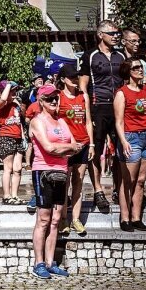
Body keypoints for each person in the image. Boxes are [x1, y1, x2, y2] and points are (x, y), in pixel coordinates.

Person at [29, 84, 80, 279]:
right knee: (43, 218)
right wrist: (67, 147)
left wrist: (65, 148)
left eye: (56, 98)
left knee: (56, 219)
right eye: (49, 98)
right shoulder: (37, 121)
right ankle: (38, 262)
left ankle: (50, 262)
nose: (53, 101)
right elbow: (49, 148)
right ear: (41, 101)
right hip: (43, 171)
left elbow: (75, 145)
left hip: (61, 170)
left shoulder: (62, 122)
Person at [79, 20, 125, 211]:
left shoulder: (121, 55)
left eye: (117, 33)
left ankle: (118, 188)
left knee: (121, 150)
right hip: (98, 106)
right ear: (101, 35)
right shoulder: (90, 55)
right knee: (95, 151)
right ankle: (98, 190)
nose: (116, 36)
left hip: (118, 107)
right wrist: (87, 109)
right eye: (112, 33)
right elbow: (83, 86)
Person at [114, 59, 146, 232]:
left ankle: (136, 217)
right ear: (128, 71)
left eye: (141, 67)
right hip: (131, 137)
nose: (141, 70)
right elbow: (119, 121)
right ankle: (125, 217)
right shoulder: (122, 93)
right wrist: (123, 141)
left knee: (140, 181)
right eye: (136, 67)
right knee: (129, 180)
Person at [56, 64, 93, 235]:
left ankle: (76, 219)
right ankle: (63, 218)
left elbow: (87, 121)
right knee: (65, 182)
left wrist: (91, 144)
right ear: (63, 79)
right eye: (71, 78)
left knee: (78, 182)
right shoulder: (58, 97)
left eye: (76, 77)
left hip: (83, 142)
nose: (75, 80)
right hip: (66, 146)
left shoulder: (83, 96)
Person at [0, 80, 26, 204]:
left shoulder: (15, 104)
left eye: (15, 90)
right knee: (8, 168)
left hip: (18, 136)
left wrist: (23, 137)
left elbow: (20, 122)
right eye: (11, 91)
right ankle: (6, 196)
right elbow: (2, 100)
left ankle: (15, 195)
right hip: (6, 136)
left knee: (18, 168)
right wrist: (7, 85)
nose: (14, 93)